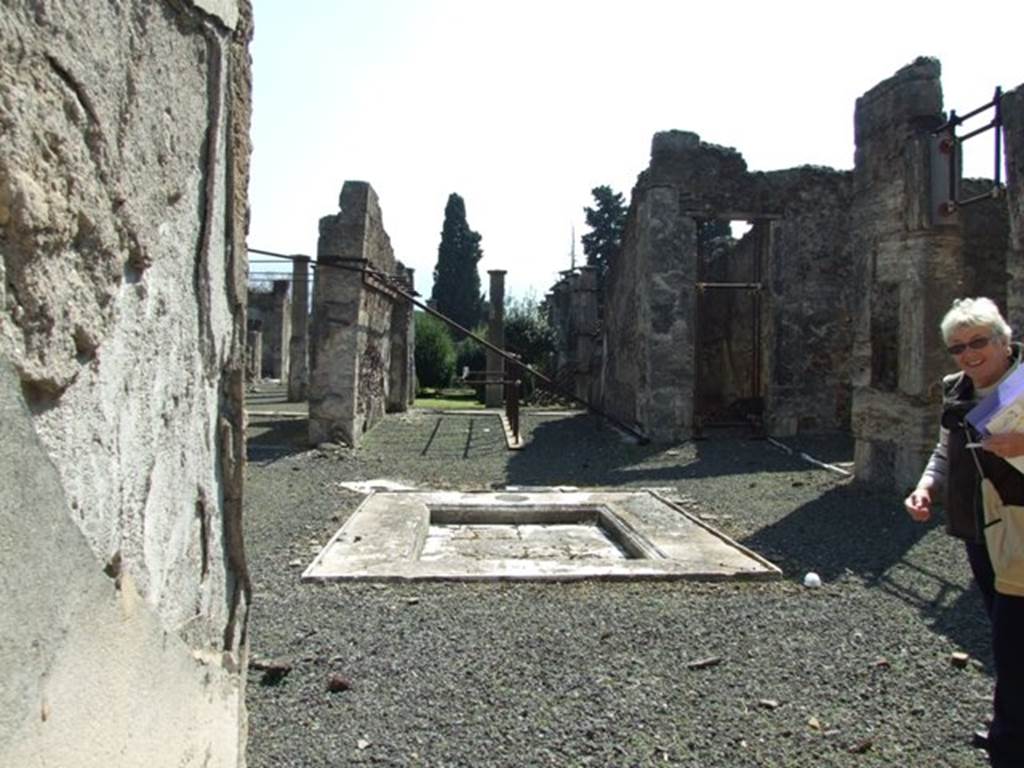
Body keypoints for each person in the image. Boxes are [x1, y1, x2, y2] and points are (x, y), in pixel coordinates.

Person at [905, 297, 1024, 767]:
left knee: (1013, 637)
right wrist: (925, 487)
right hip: (979, 527)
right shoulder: (957, 389)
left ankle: (1010, 742)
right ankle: (1008, 725)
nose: (969, 354)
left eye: (979, 343)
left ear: (1003, 340)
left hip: (1018, 525)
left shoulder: (1020, 386)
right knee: (1003, 630)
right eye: (958, 347)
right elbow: (944, 450)